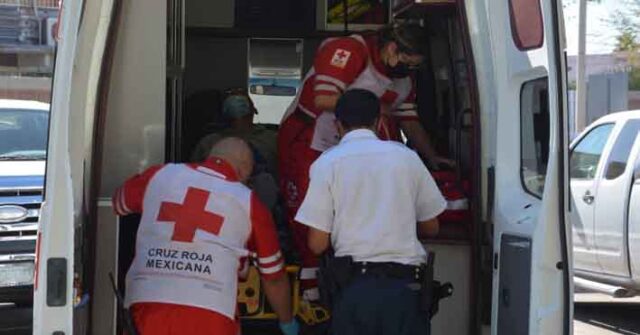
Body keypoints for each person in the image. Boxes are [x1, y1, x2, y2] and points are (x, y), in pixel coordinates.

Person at [278, 22, 451, 301]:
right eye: (407, 62)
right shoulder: (350, 51)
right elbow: (323, 98)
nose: (409, 70)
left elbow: (409, 120)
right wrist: (374, 108)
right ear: (392, 48)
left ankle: (337, 272)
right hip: (307, 137)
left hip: (351, 142)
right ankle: (309, 282)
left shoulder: (402, 81)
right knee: (306, 211)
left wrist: (431, 156)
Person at [295, 89, 447, 335]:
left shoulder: (327, 163)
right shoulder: (407, 158)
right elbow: (432, 226)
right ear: (378, 122)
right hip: (406, 291)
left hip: (355, 291)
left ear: (337, 124)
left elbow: (317, 244)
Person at [112, 137, 299, 335]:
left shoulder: (160, 175)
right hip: (211, 315)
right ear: (244, 171)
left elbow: (119, 203)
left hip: (147, 309)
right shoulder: (249, 202)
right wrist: (287, 322)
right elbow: (273, 279)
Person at [192, 92, 279, 209]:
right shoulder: (208, 143)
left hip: (262, 204)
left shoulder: (272, 139)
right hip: (217, 202)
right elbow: (195, 178)